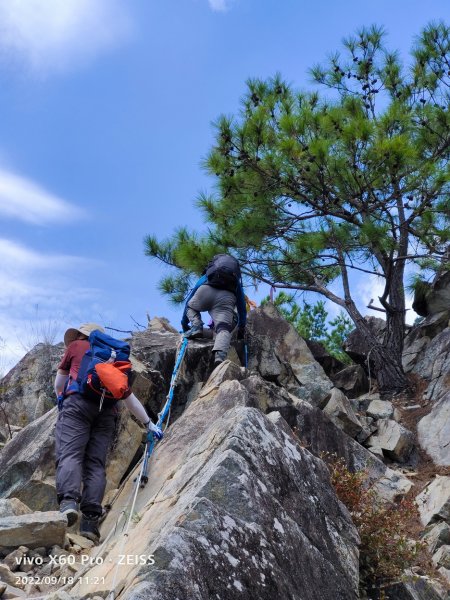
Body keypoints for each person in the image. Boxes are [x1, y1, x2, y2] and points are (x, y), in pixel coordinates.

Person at [54, 323, 162, 543]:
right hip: (107, 413)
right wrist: (149, 423)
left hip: (77, 404)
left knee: (71, 453)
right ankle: (90, 522)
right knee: (95, 463)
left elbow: (60, 381)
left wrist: (59, 397)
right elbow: (127, 396)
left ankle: (68, 503)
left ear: (82, 335)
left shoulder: (75, 346)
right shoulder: (116, 358)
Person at [181, 254, 247, 365]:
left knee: (191, 306)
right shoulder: (234, 281)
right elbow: (241, 305)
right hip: (226, 298)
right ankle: (220, 355)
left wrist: (184, 323)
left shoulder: (208, 275)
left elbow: (189, 300)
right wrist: (241, 327)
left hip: (205, 291)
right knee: (223, 328)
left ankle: (197, 326)